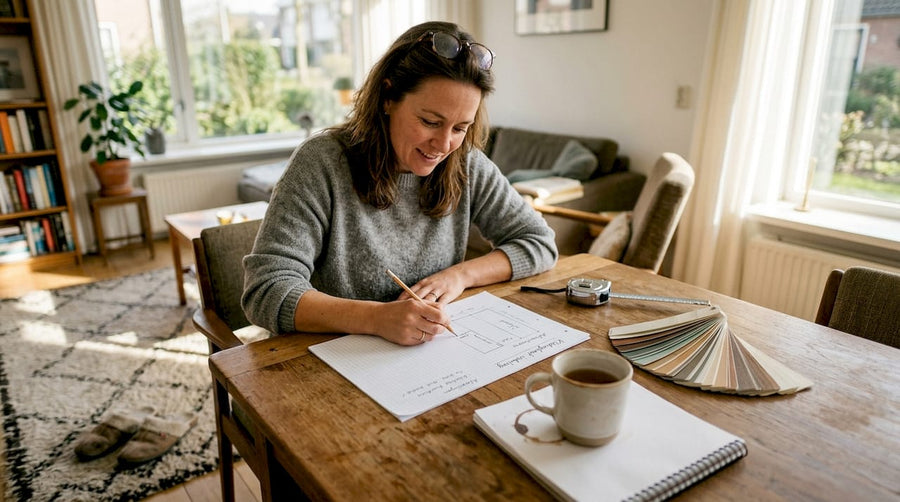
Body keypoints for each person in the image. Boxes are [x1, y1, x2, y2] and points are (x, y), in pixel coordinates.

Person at [242, 21, 557, 346]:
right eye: (430, 122)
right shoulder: (322, 162)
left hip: (423, 356)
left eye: (461, 127)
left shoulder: (465, 162)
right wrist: (376, 318)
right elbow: (266, 290)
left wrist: (460, 276)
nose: (444, 144)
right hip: (326, 356)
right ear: (388, 98)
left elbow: (539, 242)